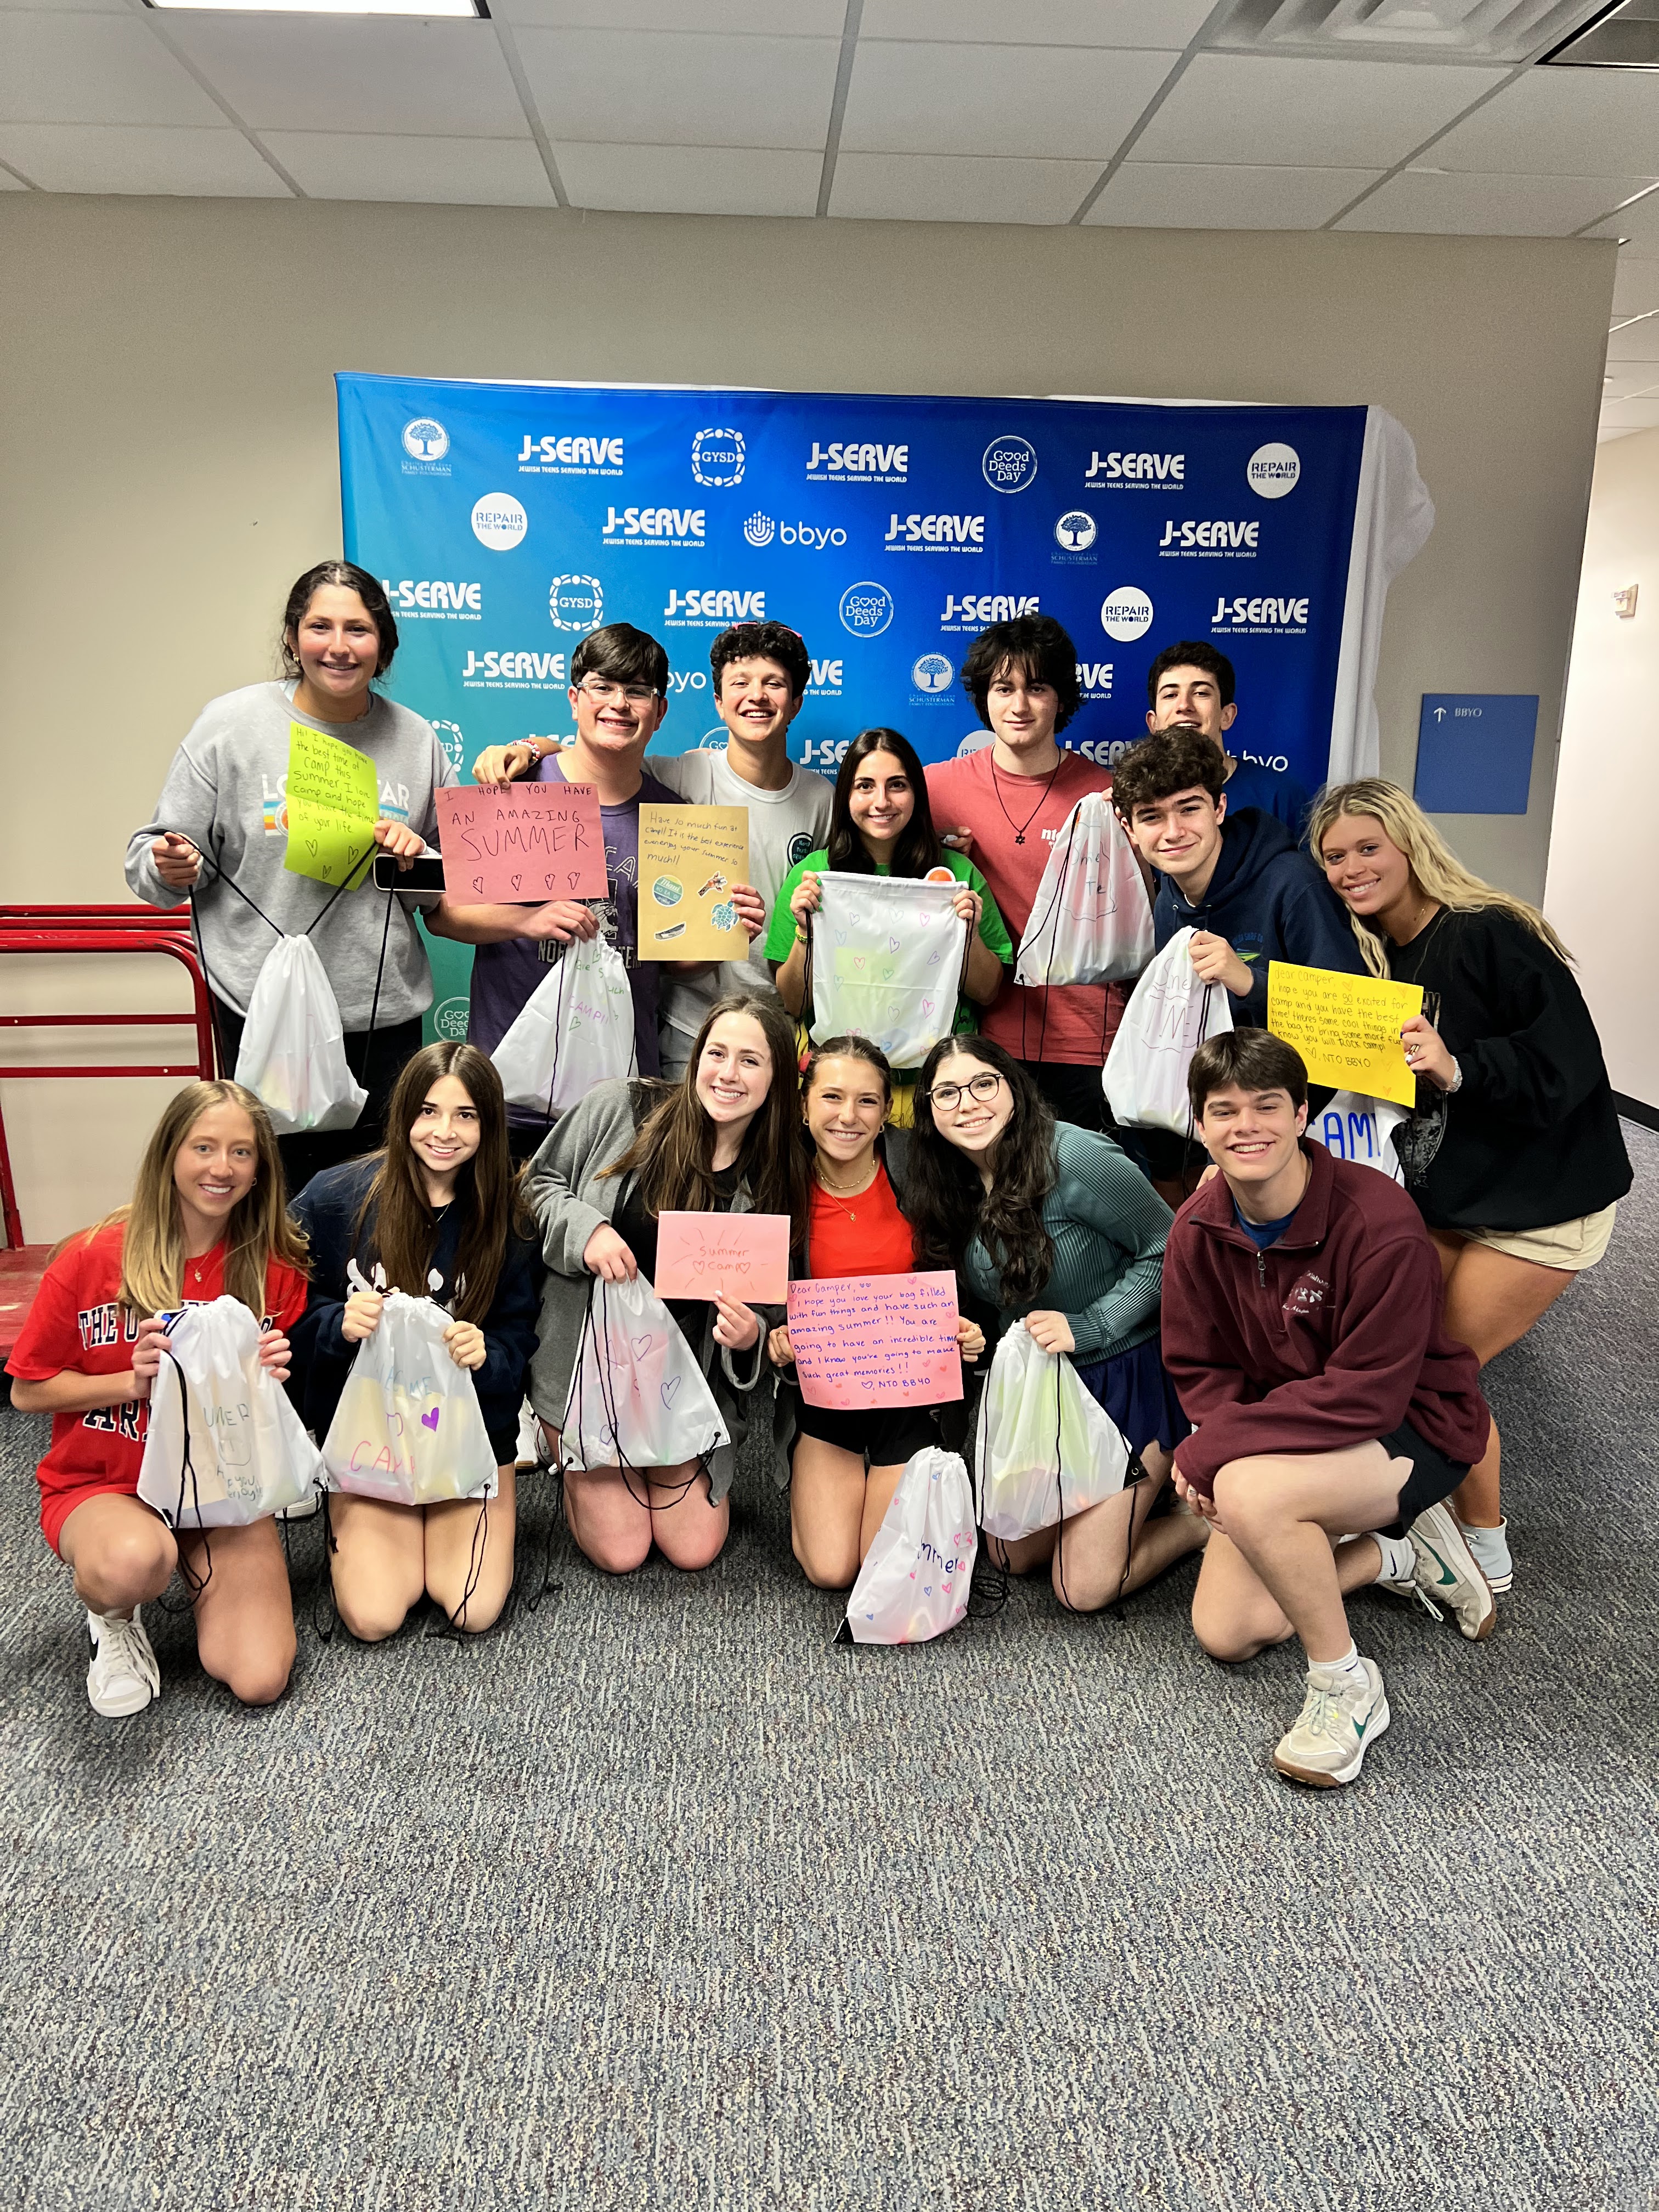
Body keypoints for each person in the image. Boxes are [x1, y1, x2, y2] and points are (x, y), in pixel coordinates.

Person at [1310, 778, 1632, 1594]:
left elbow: (1569, 1065)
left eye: (1368, 848)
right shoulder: (1381, 956)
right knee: (1387, 1338)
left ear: (1410, 845)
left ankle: (1483, 1550)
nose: (1351, 869)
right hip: (1459, 1193)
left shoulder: (1489, 931)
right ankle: (1407, 1506)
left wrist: (1460, 1067)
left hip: (1544, 1204)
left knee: (1438, 1364)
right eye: (1335, 857)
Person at [1163, 1030, 1496, 1790]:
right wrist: (1224, 1437)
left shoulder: (1379, 1223)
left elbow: (1368, 1393)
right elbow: (1200, 1366)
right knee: (1229, 1632)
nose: (1247, 1127)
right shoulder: (1197, 1228)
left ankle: (1345, 1686)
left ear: (1302, 1113)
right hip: (1289, 1432)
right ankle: (1400, 1556)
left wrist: (1221, 1453)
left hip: (1410, 1427)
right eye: (1224, 1111)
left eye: (1267, 1106)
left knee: (1249, 1493)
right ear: (1200, 1126)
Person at [125, 563, 448, 1192]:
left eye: (358, 629)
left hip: (378, 1017)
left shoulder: (416, 740)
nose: (338, 646)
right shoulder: (229, 725)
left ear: (383, 643)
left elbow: (442, 887)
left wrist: (413, 862)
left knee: (377, 1199)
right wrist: (171, 864)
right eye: (320, 626)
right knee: (270, 1197)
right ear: (293, 636)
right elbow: (151, 860)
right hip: (259, 1011)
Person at [5, 1081, 309, 1716]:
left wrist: (273, 1378)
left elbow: (265, 1412)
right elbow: (28, 1390)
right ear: (169, 1152)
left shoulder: (274, 1268)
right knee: (134, 1560)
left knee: (259, 1677)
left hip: (221, 1487)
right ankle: (112, 1619)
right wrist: (129, 1382)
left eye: (241, 1152)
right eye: (204, 1147)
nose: (221, 1168)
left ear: (260, 1170)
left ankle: (195, 1575)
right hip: (108, 1483)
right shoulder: (90, 1257)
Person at [435, 623, 763, 1156]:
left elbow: (676, 963)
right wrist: (526, 920)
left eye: (637, 691)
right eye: (602, 687)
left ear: (660, 712)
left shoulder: (676, 819)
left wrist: (726, 931)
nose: (619, 704)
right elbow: (445, 914)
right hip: (504, 1091)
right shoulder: (516, 787)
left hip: (620, 1097)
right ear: (574, 700)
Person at [904, 1037, 1204, 1613]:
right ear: (929, 1110)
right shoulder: (951, 1181)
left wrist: (1092, 1325)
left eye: (983, 1084)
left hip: (1124, 1379)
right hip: (1042, 1386)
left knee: (1080, 1587)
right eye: (947, 1093)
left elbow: (1171, 1246)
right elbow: (1003, 1301)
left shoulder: (1073, 1155)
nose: (968, 1103)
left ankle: (1194, 1525)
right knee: (1011, 1556)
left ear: (1013, 1088)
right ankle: (1120, 1502)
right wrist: (974, 1334)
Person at [472, 622, 834, 1081]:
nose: (757, 696)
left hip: (766, 1021)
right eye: (741, 683)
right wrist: (526, 748)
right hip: (678, 1029)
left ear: (797, 702)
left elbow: (679, 952)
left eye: (774, 684)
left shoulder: (816, 799)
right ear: (718, 702)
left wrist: (733, 933)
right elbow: (592, 752)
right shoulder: (681, 776)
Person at [526, 995, 806, 1577]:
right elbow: (538, 1184)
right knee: (623, 1551)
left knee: (693, 1548)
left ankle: (629, 1462)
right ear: (696, 1057)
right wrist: (587, 1230)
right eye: (717, 1054)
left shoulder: (777, 1173)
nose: (728, 1074)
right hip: (587, 1367)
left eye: (750, 1061)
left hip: (683, 1380)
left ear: (776, 1078)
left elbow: (774, 1306)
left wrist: (752, 1334)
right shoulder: (620, 1107)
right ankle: (561, 1441)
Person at [289, 1042, 540, 1640]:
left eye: (465, 1115)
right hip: (373, 1436)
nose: (444, 1132)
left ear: (489, 1124)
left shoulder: (509, 1216)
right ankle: (377, 1528)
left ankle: (435, 1528)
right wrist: (336, 1324)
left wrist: (488, 1354)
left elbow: (519, 1340)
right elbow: (283, 1314)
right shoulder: (335, 1197)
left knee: (472, 1608)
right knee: (374, 1616)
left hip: (468, 1436)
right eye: (428, 1111)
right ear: (403, 1113)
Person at [769, 1035, 986, 1589]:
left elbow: (968, 1275)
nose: (848, 1116)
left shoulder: (921, 1169)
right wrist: (775, 1334)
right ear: (804, 1105)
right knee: (831, 1569)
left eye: (867, 1101)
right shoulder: (778, 1181)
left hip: (912, 1393)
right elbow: (759, 1294)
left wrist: (970, 1329)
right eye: (832, 1097)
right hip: (826, 1393)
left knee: (882, 1569)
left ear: (887, 1109)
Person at [927, 614, 1136, 1130]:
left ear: (1061, 699)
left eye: (1036, 688)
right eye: (1004, 688)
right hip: (977, 1039)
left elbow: (1139, 916)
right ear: (985, 699)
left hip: (1086, 1041)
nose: (1019, 706)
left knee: (1079, 1178)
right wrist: (936, 859)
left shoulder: (1106, 795)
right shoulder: (933, 790)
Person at [767, 727, 1011, 1122]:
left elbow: (987, 991)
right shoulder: (812, 877)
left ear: (916, 794)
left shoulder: (956, 875)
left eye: (897, 785)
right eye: (865, 786)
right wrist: (804, 933)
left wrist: (967, 936)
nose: (881, 802)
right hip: (840, 1085)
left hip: (939, 1086)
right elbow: (794, 1003)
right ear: (846, 797)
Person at [1145, 640, 1312, 832]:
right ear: (1153, 723)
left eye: (1201, 693)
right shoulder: (1135, 800)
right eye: (1170, 695)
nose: (1184, 706)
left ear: (1227, 716)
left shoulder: (1280, 796)